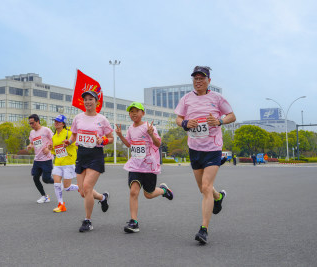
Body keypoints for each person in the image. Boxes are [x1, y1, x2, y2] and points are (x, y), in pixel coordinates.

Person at [175, 66, 236, 244]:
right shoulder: (186, 99)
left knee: (206, 186)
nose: (198, 81)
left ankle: (204, 229)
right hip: (194, 147)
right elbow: (178, 118)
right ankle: (219, 197)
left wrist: (219, 120)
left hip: (212, 147)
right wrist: (185, 123)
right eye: (195, 78)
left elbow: (232, 116)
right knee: (203, 188)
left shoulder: (217, 98)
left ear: (209, 80)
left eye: (202, 78)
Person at [115, 102, 173, 233]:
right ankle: (133, 222)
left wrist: (151, 134)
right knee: (133, 191)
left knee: (149, 194)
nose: (134, 113)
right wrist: (120, 136)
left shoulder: (148, 126)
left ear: (143, 113)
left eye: (137, 110)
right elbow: (129, 145)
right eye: (131, 111)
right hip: (135, 165)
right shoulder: (130, 128)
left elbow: (158, 144)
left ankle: (164, 190)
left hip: (148, 166)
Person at [63, 89, 113, 232]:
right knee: (83, 192)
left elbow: (110, 138)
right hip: (82, 154)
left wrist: (102, 140)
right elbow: (73, 135)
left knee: (87, 187)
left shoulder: (102, 119)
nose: (88, 102)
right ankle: (103, 198)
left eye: (91, 99)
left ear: (96, 102)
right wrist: (69, 141)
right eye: (85, 99)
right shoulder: (78, 118)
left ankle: (88, 221)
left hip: (95, 155)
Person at [51, 114, 79, 212]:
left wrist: (69, 142)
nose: (56, 123)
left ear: (63, 123)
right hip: (58, 163)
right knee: (56, 184)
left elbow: (77, 145)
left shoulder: (70, 133)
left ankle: (80, 187)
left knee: (67, 187)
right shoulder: (54, 136)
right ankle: (61, 204)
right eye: (55, 121)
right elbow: (55, 151)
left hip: (68, 162)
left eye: (58, 121)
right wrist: (50, 149)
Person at [27, 114, 54, 204]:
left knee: (46, 179)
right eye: (30, 123)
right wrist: (30, 146)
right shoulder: (32, 133)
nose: (31, 125)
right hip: (37, 159)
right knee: (35, 178)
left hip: (46, 159)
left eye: (33, 123)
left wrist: (48, 148)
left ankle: (58, 182)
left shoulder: (46, 130)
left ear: (38, 121)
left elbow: (54, 141)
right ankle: (44, 196)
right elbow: (31, 142)